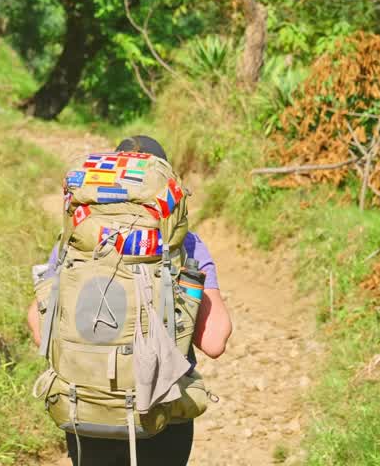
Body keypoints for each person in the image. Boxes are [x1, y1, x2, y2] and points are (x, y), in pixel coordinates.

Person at [27, 135, 233, 466]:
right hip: (161, 410)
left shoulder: (78, 238)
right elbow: (214, 340)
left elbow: (41, 330)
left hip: (86, 408)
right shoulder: (185, 243)